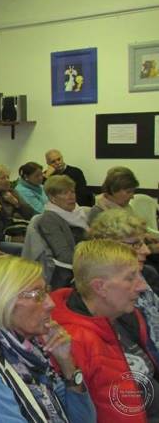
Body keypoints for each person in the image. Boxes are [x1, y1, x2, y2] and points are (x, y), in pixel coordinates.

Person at [0, 256, 96, 422]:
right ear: (5, 301)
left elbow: (85, 420)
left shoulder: (30, 347)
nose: (51, 303)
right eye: (38, 294)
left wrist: (67, 364)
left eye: (46, 291)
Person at [51, 239, 158, 422]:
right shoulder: (73, 340)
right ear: (100, 287)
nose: (142, 286)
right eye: (130, 278)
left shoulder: (122, 314)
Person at [89, 209, 159, 349]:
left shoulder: (147, 273)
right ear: (111, 247)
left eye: (144, 242)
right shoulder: (102, 291)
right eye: (135, 244)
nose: (146, 250)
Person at [35, 175, 89, 286]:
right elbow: (64, 255)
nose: (71, 197)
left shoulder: (79, 213)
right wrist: (94, 261)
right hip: (71, 273)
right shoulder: (49, 219)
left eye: (72, 192)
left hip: (87, 262)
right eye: (65, 193)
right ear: (52, 198)